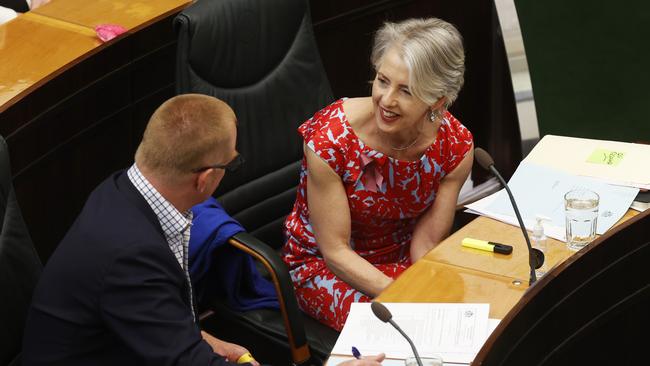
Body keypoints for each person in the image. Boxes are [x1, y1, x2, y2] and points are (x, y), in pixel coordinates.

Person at [22, 94, 384, 366]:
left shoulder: (125, 188)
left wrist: (197, 335)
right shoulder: (130, 257)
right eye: (233, 162)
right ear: (206, 178)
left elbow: (158, 323)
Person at [283, 18, 474, 331]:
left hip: (402, 262)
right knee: (400, 329)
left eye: (406, 91)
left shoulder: (454, 146)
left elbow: (424, 244)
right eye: (383, 81)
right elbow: (336, 252)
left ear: (436, 102)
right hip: (325, 268)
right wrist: (401, 296)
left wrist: (426, 286)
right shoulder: (331, 141)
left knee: (466, 311)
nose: (387, 100)